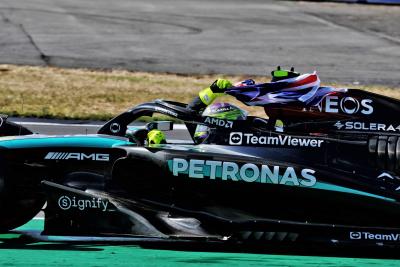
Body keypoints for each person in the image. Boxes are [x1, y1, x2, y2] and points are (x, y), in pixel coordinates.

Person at [146, 67, 301, 145]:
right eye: (203, 128)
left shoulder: (250, 128)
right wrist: (154, 136)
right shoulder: (201, 139)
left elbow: (191, 111)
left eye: (206, 128)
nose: (202, 132)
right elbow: (190, 113)